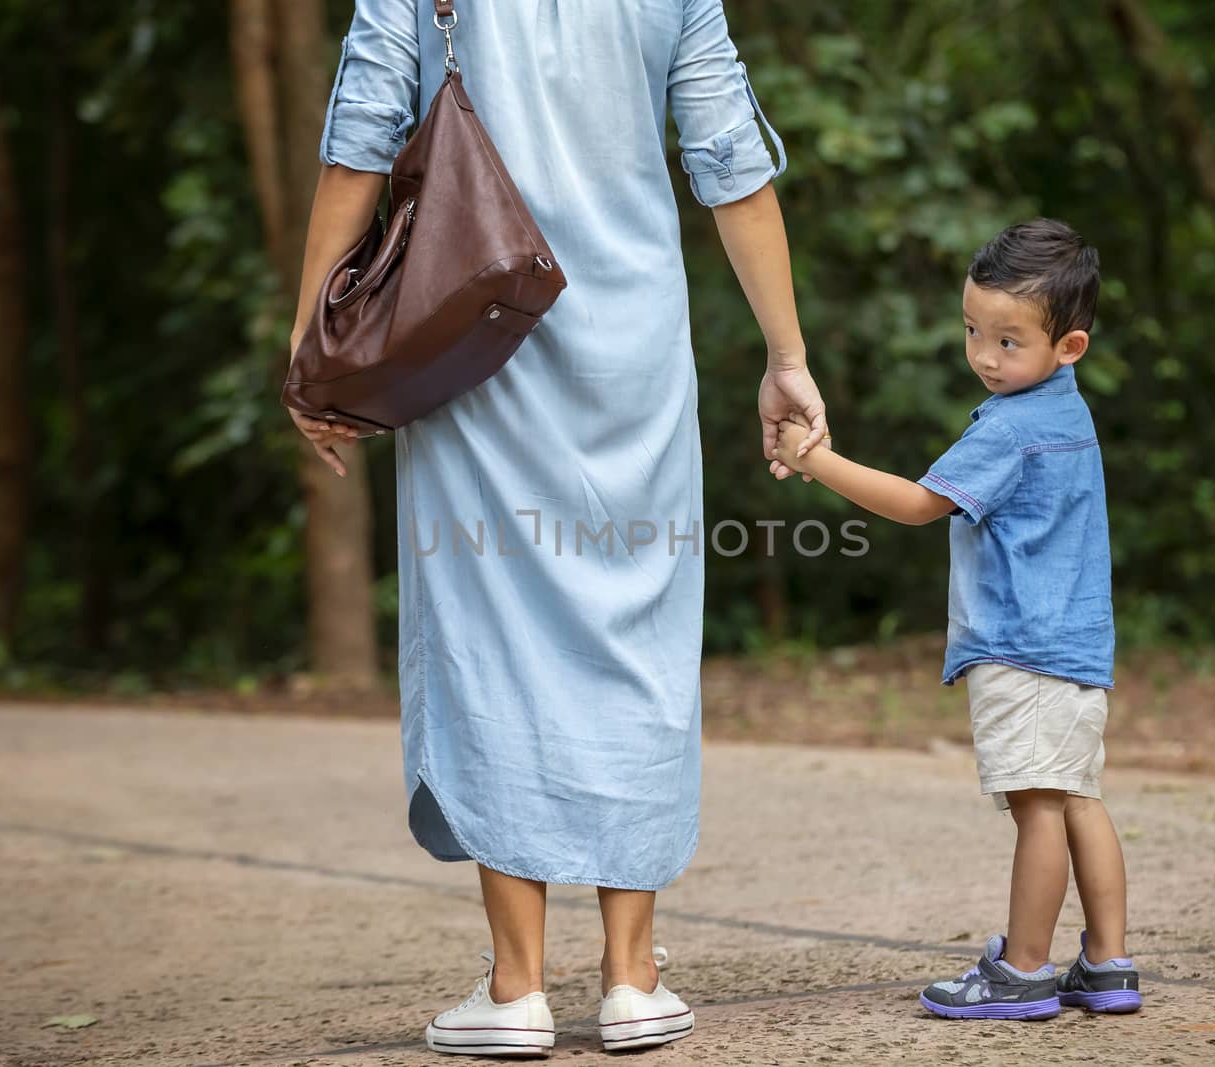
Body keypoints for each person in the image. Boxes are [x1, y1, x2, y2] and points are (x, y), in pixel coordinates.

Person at [285, 0, 830, 1056]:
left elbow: (358, 146)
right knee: (639, 636)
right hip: (634, 356)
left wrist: (314, 339)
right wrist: (786, 355)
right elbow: (730, 161)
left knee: (493, 641)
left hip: (476, 342)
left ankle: (517, 984)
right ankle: (632, 979)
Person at [773, 219, 1142, 1021]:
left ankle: (1024, 969)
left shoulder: (1009, 429)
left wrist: (814, 459)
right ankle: (1109, 963)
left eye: (1009, 341)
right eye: (974, 329)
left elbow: (918, 503)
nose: (984, 355)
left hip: (1023, 647)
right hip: (1078, 645)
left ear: (1068, 346)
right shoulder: (1067, 414)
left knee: (1037, 805)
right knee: (1079, 795)